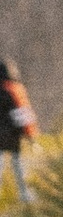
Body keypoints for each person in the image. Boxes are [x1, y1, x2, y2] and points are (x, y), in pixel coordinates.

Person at [0, 51, 35, 208]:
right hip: (13, 135)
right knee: (18, 165)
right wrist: (30, 134)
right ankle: (24, 193)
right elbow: (22, 113)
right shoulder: (14, 90)